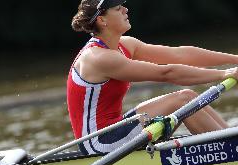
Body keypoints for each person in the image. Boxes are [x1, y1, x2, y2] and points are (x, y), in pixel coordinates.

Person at [67, 0, 238, 155]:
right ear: (102, 20)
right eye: (118, 9)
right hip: (98, 143)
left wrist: (235, 60)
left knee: (190, 97)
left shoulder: (125, 44)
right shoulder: (98, 58)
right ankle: (229, 151)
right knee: (183, 99)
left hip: (117, 126)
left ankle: (231, 143)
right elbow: (167, 73)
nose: (126, 10)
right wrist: (225, 74)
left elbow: (179, 55)